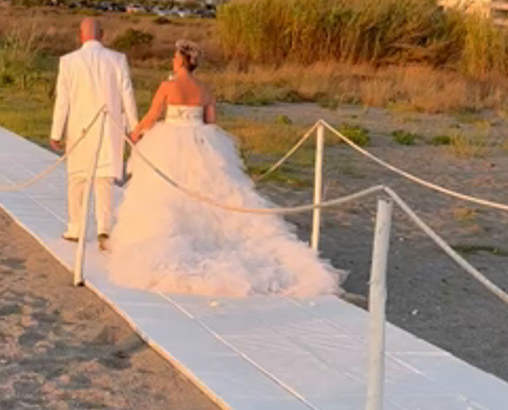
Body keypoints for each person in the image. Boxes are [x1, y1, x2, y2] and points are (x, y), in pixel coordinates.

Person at [108, 40, 343, 297]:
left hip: (170, 141)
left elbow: (152, 116)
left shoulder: (168, 86)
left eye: (175, 57)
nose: (173, 61)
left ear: (181, 61)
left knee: (166, 193)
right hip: (202, 142)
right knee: (212, 190)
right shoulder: (205, 89)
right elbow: (210, 121)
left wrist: (135, 133)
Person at [50, 18, 139, 251]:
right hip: (109, 127)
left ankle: (76, 227)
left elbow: (63, 100)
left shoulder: (68, 61)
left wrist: (56, 132)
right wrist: (133, 128)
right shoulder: (117, 60)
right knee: (104, 180)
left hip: (79, 129)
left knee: (77, 180)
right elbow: (127, 95)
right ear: (103, 35)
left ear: (81, 35)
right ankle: (104, 228)